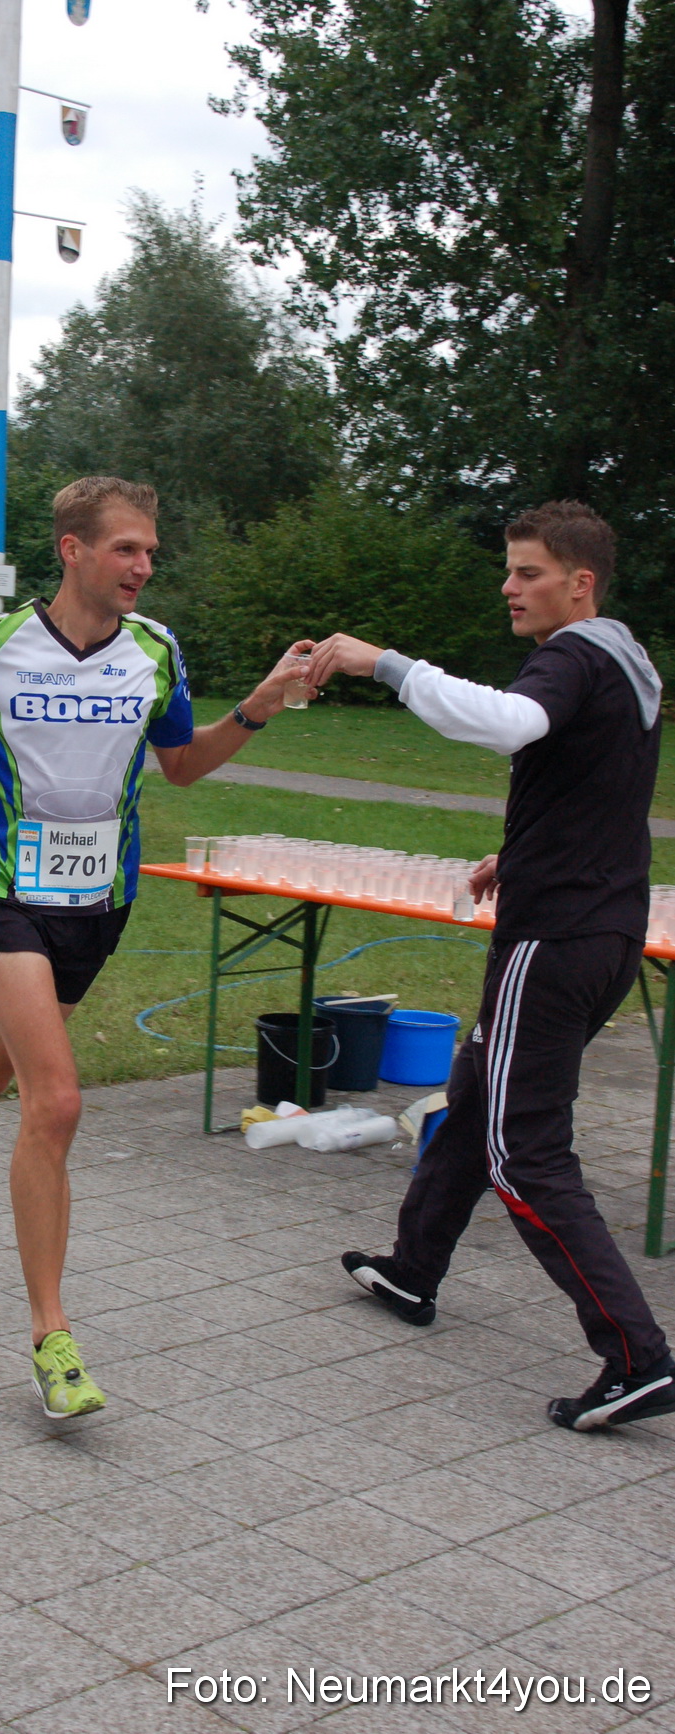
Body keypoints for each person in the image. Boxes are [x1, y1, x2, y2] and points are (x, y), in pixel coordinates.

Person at [0, 475, 307, 1419]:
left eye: (149, 551)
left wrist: (259, 705)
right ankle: (51, 1339)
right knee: (52, 1101)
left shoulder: (154, 651)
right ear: (73, 550)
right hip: (2, 896)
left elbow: (181, 765)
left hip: (99, 905)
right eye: (126, 549)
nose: (144, 566)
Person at [304, 500, 674, 1432]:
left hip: (550, 945)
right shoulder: (629, 663)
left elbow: (507, 722)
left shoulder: (572, 656)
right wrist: (519, 851)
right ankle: (410, 1267)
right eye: (508, 570)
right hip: (604, 931)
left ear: (578, 583)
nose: (508, 588)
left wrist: (382, 664)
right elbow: (596, 784)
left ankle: (635, 1356)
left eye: (527, 572)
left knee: (523, 1151)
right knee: (476, 1095)